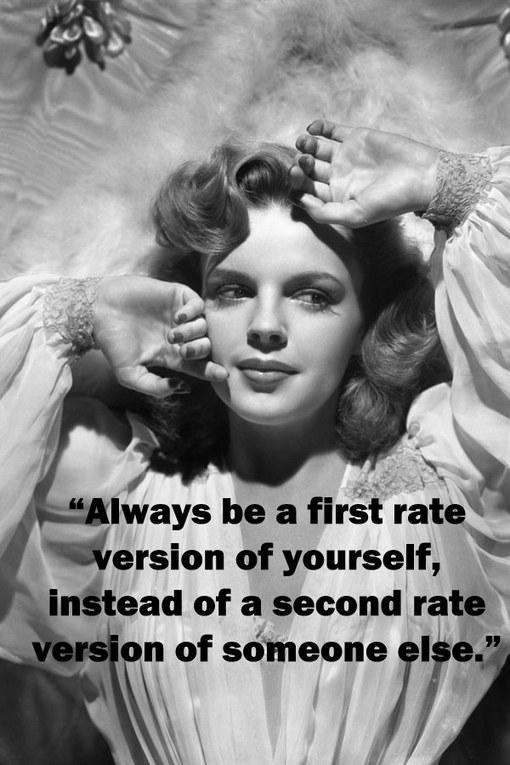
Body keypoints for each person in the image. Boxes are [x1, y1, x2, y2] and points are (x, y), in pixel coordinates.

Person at [0, 121, 509, 765]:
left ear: (366, 323)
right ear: (193, 305)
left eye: (313, 296)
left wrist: (443, 182)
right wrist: (79, 314)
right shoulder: (114, 490)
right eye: (233, 291)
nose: (266, 326)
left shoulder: (451, 490)